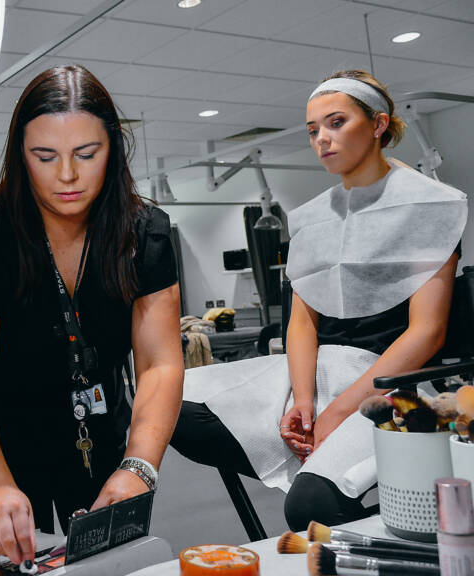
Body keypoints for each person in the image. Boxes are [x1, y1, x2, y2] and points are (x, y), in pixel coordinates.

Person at [172, 70, 467, 531]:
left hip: (391, 381)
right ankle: (311, 465)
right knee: (172, 401)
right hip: (318, 371)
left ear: (377, 124)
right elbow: (302, 322)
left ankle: (326, 485)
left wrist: (340, 410)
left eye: (335, 123)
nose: (322, 139)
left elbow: (426, 333)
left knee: (310, 509)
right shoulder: (310, 219)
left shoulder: (430, 207)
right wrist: (304, 404)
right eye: (313, 130)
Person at [0, 65, 184, 565]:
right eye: (44, 156)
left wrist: (139, 467)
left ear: (112, 150)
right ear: (19, 155)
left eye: (86, 154)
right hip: (2, 442)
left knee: (108, 565)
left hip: (101, 432)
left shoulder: (146, 233)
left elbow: (159, 363)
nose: (67, 175)